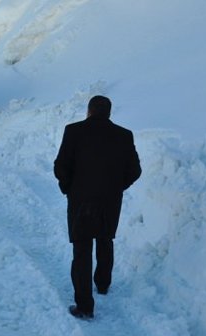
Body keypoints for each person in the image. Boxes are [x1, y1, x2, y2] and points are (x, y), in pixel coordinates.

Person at [54, 95, 141, 320]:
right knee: (104, 239)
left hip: (81, 200)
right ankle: (102, 285)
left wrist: (69, 188)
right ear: (109, 113)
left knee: (82, 249)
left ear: (89, 111)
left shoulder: (73, 131)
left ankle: (84, 306)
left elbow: (61, 165)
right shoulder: (124, 135)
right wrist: (117, 187)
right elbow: (135, 171)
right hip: (109, 201)